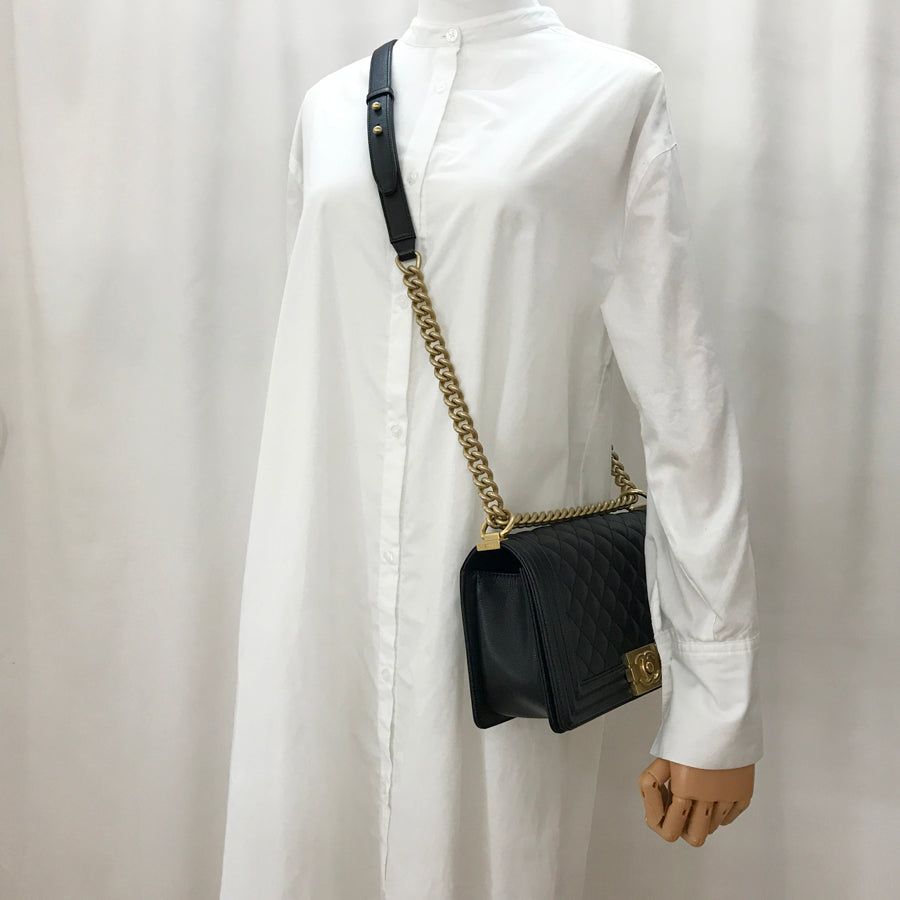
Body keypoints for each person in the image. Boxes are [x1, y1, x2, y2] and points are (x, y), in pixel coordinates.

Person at [220, 2, 764, 896]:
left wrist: (717, 699)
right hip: (322, 587)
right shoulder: (329, 107)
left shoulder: (611, 96)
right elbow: (320, 344)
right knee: (306, 847)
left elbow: (683, 404)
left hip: (495, 615)